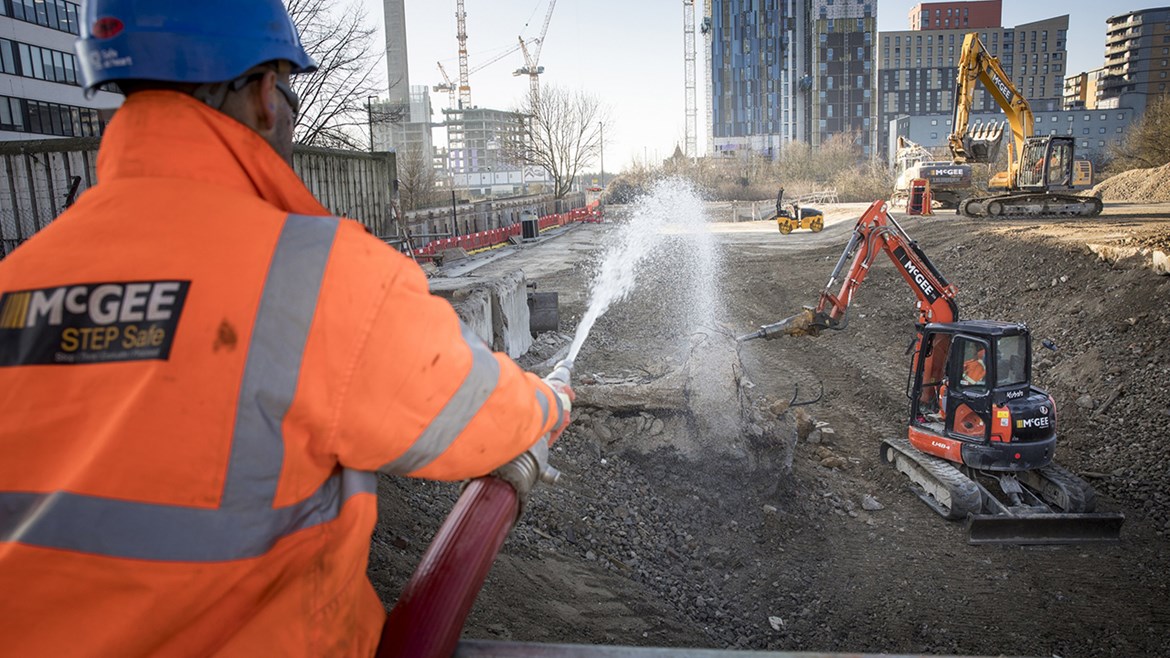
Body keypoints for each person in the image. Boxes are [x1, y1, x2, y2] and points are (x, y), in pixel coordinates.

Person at [0, 1, 572, 656]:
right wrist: (546, 404)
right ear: (267, 95)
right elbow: (471, 415)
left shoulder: (17, 277)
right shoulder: (311, 273)